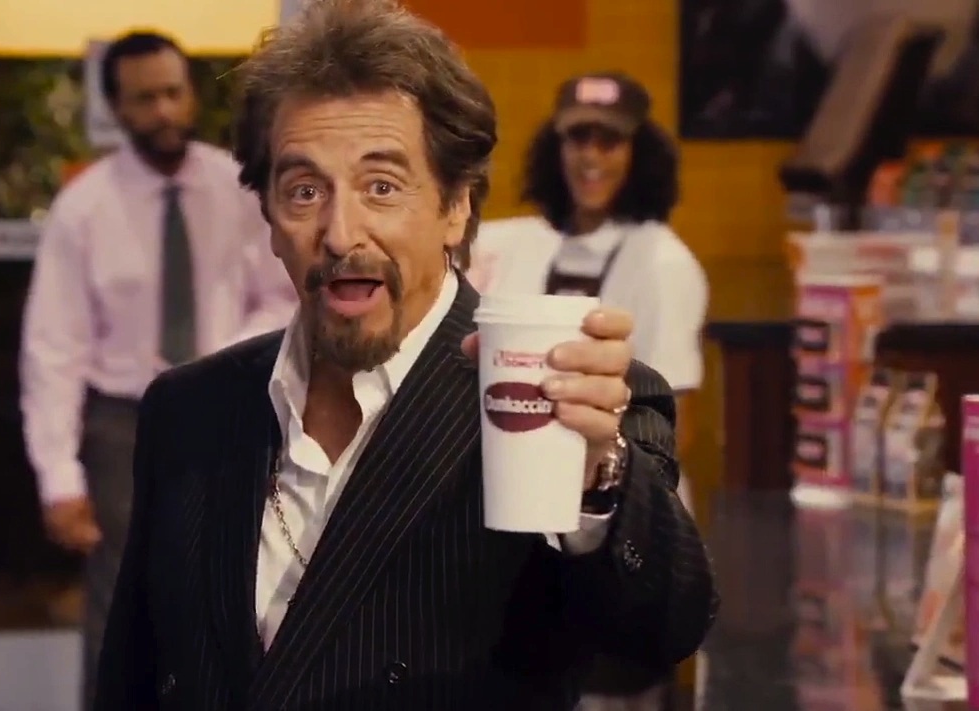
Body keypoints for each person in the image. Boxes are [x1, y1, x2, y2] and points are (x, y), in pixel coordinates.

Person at [94, 2, 718, 709]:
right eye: (304, 191)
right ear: (267, 216)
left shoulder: (560, 401)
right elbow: (132, 679)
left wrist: (599, 478)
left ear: (456, 207)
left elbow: (662, 630)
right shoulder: (190, 410)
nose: (340, 232)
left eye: (382, 187)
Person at [19, 30, 296, 710]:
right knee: (121, 596)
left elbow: (282, 294)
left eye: (174, 92)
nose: (165, 110)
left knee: (237, 579)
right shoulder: (84, 208)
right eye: (145, 99)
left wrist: (218, 360)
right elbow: (54, 347)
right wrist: (59, 477)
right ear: (117, 108)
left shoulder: (240, 188)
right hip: (124, 422)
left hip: (234, 404)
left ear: (192, 94)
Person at [470, 72, 709, 710]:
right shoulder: (513, 244)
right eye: (578, 139)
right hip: (519, 529)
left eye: (610, 141)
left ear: (640, 152)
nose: (591, 157)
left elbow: (673, 423)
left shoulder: (664, 262)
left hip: (618, 522)